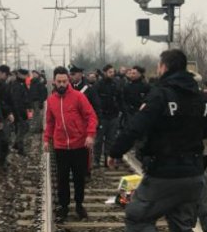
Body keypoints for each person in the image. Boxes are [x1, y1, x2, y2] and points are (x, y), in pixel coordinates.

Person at [108, 49, 207, 232]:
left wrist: (115, 152)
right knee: (182, 229)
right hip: (194, 173)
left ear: (164, 67)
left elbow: (136, 126)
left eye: (159, 65)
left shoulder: (161, 94)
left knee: (136, 219)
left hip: (165, 173)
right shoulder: (200, 98)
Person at [44, 67, 98, 221]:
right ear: (54, 82)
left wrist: (90, 135)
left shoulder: (78, 97)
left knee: (79, 177)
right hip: (61, 146)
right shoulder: (51, 100)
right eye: (59, 81)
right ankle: (64, 206)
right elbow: (50, 122)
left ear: (68, 81)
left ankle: (79, 205)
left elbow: (91, 116)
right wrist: (47, 139)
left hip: (79, 145)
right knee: (62, 178)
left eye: (64, 81)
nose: (62, 84)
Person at [94, 64, 123, 167]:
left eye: (113, 72)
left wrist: (120, 110)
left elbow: (120, 98)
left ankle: (107, 160)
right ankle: (96, 160)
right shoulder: (98, 84)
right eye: (110, 72)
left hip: (113, 116)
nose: (112, 74)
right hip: (102, 116)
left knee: (111, 140)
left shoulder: (116, 84)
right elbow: (95, 100)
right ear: (105, 72)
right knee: (98, 140)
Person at [10, 69, 32, 156]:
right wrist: (19, 114)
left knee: (22, 129)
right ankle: (19, 148)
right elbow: (16, 101)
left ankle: (17, 146)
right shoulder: (17, 85)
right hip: (19, 112)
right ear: (20, 75)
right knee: (22, 129)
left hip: (22, 111)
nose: (27, 77)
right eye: (25, 75)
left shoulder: (22, 84)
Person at [0, 65, 15, 168]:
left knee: (2, 139)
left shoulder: (5, 84)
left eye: (0, 73)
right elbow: (3, 102)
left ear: (4, 73)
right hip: (2, 116)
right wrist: (9, 113)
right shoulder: (2, 85)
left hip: (2, 115)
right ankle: (1, 161)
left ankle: (1, 160)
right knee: (4, 140)